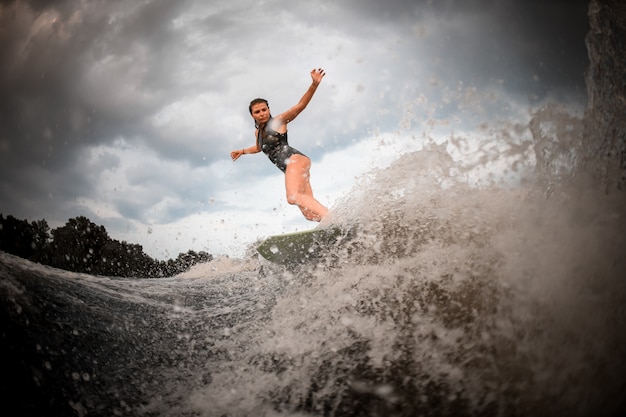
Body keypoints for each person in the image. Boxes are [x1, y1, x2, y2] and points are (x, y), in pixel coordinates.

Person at [230, 68, 329, 222]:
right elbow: (258, 148)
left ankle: (333, 218)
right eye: (257, 112)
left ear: (269, 110)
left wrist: (314, 85)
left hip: (295, 160)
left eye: (264, 109)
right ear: (252, 115)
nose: (262, 113)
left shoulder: (278, 121)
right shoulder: (258, 133)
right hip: (291, 167)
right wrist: (242, 151)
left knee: (293, 196)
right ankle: (334, 227)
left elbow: (300, 106)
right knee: (309, 214)